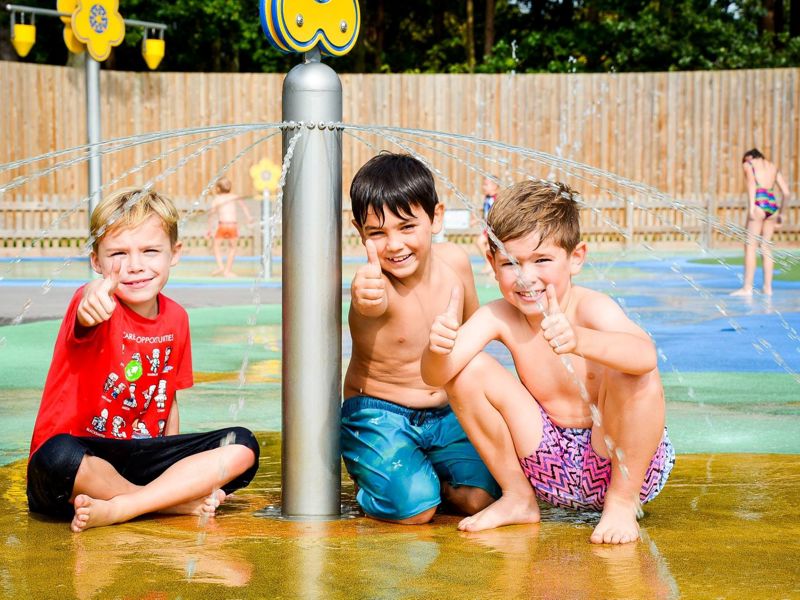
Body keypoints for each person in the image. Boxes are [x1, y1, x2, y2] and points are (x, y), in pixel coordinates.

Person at [421, 180, 674, 544]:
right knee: (467, 372)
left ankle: (621, 503)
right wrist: (438, 349)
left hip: (619, 461)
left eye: (542, 260)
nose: (526, 277)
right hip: (547, 466)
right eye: (511, 263)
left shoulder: (591, 307)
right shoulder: (500, 315)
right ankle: (518, 497)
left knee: (634, 372)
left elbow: (645, 356)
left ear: (576, 258)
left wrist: (580, 340)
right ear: (492, 263)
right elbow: (437, 376)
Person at [27, 188, 260, 533]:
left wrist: (169, 453)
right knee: (56, 456)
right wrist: (91, 301)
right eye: (118, 253)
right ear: (97, 262)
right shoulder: (95, 303)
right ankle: (166, 502)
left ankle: (127, 505)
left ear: (174, 253)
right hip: (78, 466)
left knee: (242, 445)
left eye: (150, 251)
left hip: (141, 459)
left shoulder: (177, 318)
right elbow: (87, 303)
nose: (135, 265)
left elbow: (169, 398)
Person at [341, 153, 501, 524]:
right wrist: (365, 295)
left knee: (481, 499)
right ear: (359, 231)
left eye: (407, 227)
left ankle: (430, 478)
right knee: (416, 510)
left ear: (436, 217)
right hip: (379, 415)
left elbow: (474, 330)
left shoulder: (455, 262)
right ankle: (379, 483)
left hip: (447, 412)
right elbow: (367, 300)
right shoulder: (374, 284)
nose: (394, 245)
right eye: (377, 233)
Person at [731, 148, 790, 296]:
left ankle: (747, 288)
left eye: (745, 159)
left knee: (750, 246)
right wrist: (782, 214)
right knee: (765, 247)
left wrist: (752, 207)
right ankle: (768, 288)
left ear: (751, 156)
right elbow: (786, 193)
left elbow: (752, 184)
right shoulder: (773, 167)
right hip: (772, 205)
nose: (744, 163)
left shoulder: (749, 164)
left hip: (759, 203)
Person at [206, 177, 254, 277]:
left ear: (218, 189)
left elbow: (211, 215)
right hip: (232, 225)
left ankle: (220, 266)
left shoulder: (217, 199)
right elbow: (244, 207)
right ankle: (227, 271)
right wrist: (249, 218)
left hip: (222, 225)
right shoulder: (234, 197)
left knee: (216, 246)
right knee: (233, 248)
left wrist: (209, 229)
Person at [475, 176, 499, 274]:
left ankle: (490, 264)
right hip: (488, 227)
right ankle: (492, 265)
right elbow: (486, 213)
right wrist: (477, 220)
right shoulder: (487, 198)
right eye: (483, 185)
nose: (483, 187)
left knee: (481, 242)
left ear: (494, 186)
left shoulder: (496, 199)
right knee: (485, 245)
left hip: (494, 227)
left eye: (486, 185)